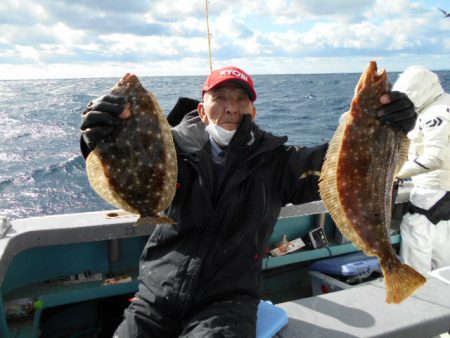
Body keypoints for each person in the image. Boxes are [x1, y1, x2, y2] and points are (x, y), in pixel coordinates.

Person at [80, 66, 416, 337]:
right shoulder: (168, 152)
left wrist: (386, 129)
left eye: (242, 98)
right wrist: (99, 139)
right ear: (202, 108)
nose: (232, 106)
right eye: (221, 96)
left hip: (228, 304)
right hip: (154, 299)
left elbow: (338, 165)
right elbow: (130, 164)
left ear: (253, 109)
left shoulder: (277, 162)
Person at [393, 65, 450, 275]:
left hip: (432, 189)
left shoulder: (435, 114)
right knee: (442, 244)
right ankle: (443, 295)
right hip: (445, 192)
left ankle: (415, 291)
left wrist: (396, 174)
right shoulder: (445, 104)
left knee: (416, 236)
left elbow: (434, 158)